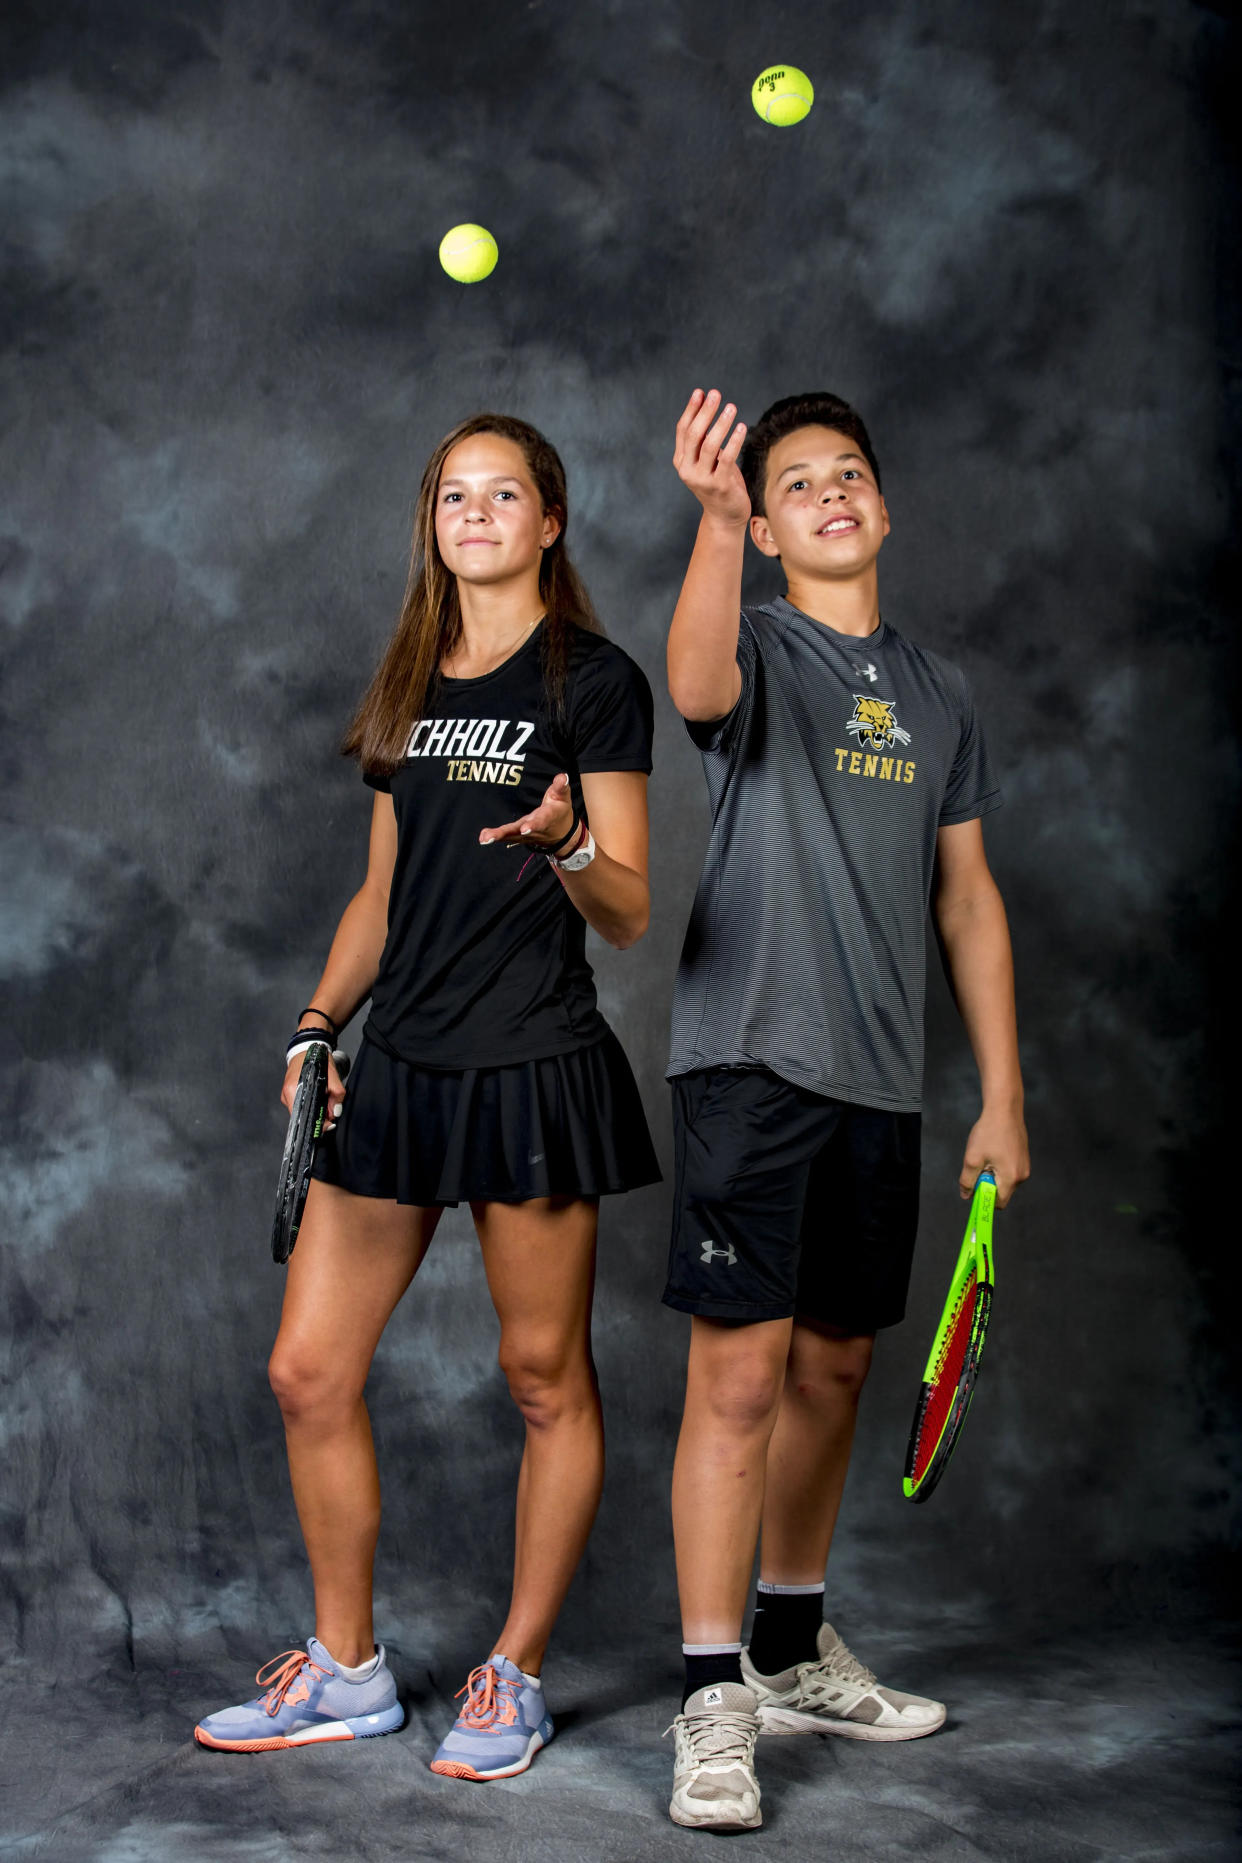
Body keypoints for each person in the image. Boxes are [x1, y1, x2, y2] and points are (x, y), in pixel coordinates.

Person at [194, 413, 659, 1781]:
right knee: (307, 1370)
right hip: (400, 1066)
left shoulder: (596, 680)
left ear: (548, 520)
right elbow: (383, 896)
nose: (474, 513)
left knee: (539, 1377)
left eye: (501, 492)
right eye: (453, 494)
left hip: (530, 1064)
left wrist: (572, 838)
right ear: (433, 522)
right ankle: (347, 1672)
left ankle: (511, 1674)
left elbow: (627, 912)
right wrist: (319, 1020)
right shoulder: (409, 676)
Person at [661, 388, 1030, 1832]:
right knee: (737, 1383)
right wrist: (704, 532)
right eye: (792, 483)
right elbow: (691, 687)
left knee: (829, 1376)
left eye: (847, 476)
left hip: (880, 1082)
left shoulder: (938, 696)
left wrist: (1000, 1092)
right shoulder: (753, 639)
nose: (826, 493)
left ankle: (787, 1642)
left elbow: (968, 897)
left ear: (882, 508)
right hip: (750, 1065)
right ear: (763, 524)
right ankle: (709, 1694)